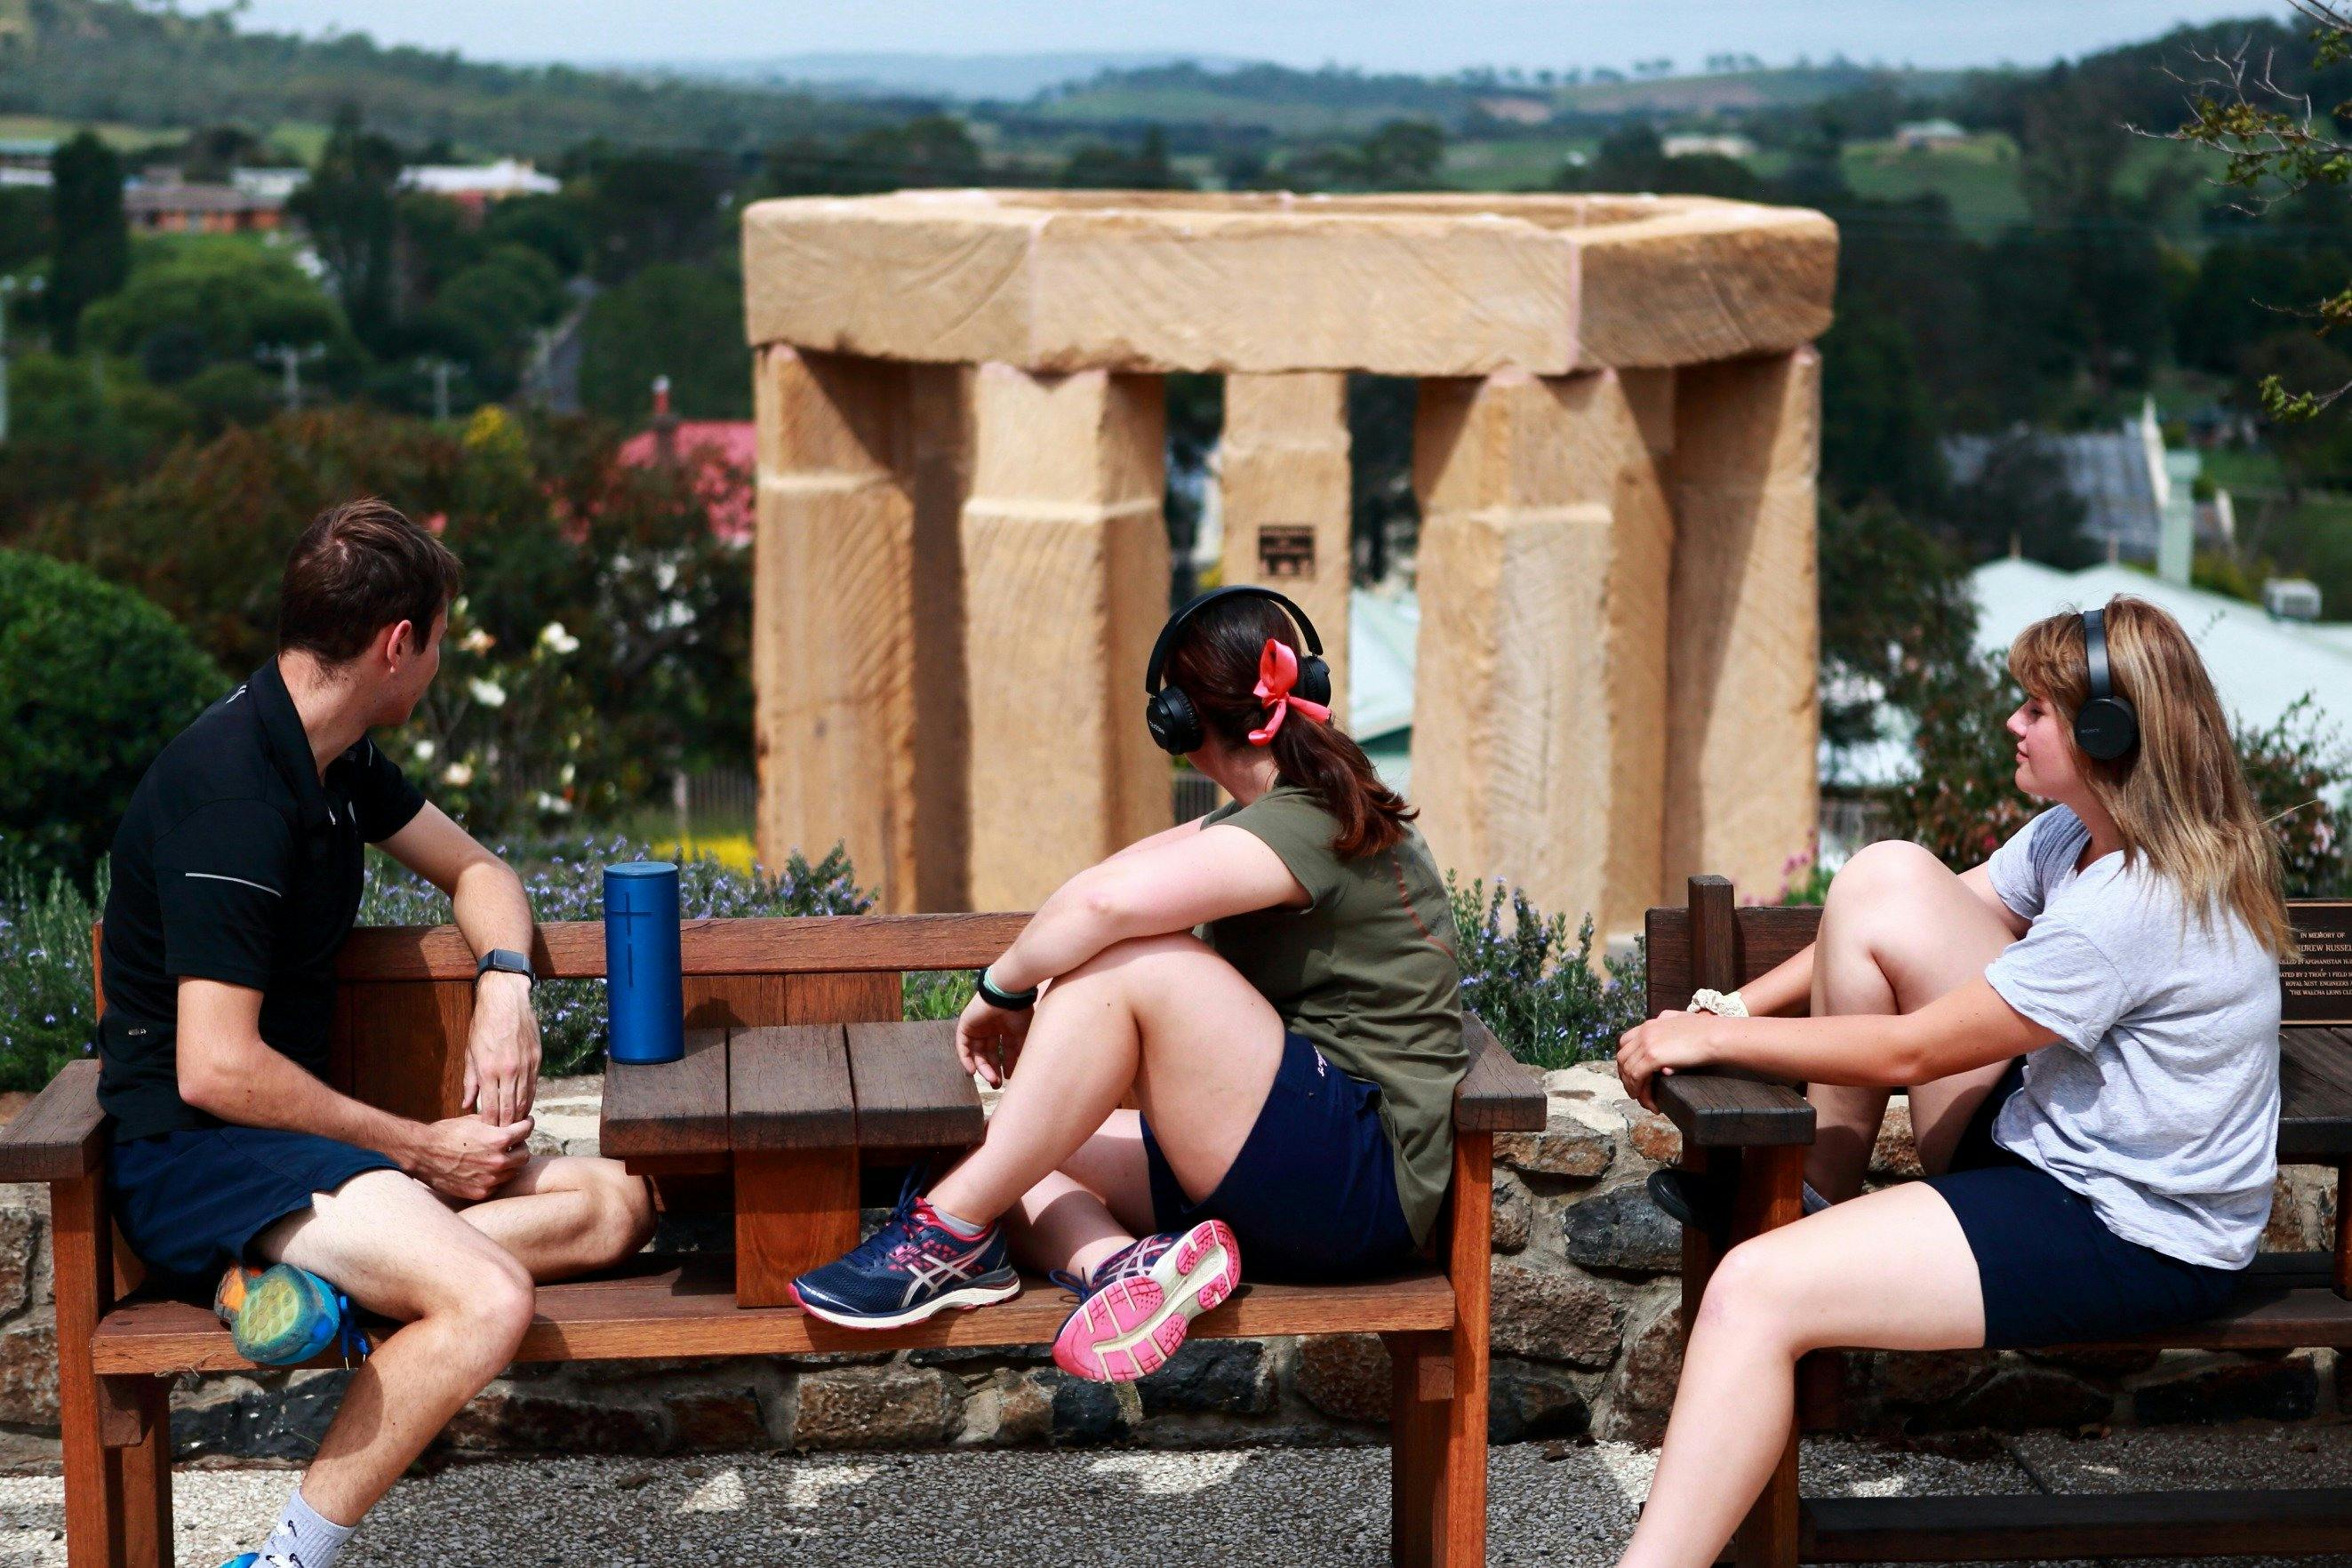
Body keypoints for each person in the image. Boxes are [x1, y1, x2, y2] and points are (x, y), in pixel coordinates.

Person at [1612, 596, 2285, 1568]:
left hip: (2128, 1230)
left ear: (2108, 733)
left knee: (1752, 1289)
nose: (2013, 724)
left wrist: (1707, 1050)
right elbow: (1904, 914)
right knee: (1882, 872)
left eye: (2037, 711)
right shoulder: (2079, 838)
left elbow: (1912, 1052)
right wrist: (1729, 1014)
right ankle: (1806, 1203)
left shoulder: (2140, 905)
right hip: (2043, 1140)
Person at [95, 500, 656, 1568]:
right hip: (198, 1162)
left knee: (613, 1205)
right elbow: (214, 1068)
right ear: (398, 644)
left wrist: (504, 984)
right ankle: (287, 1558)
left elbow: (482, 873)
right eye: (439, 640)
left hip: (300, 1153)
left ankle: (306, 1299)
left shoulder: (335, 758)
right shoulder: (229, 787)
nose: (438, 663)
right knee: (487, 1296)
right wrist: (417, 1146)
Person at [788, 587, 1466, 1382]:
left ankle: (942, 1234)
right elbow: (1112, 880)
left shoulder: (1311, 819)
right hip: (1300, 1169)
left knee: (1132, 964)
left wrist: (1001, 990)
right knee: (1003, 1155)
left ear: (1177, 727)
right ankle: (1125, 1271)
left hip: (1356, 1184)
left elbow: (1104, 906)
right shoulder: (1283, 815)